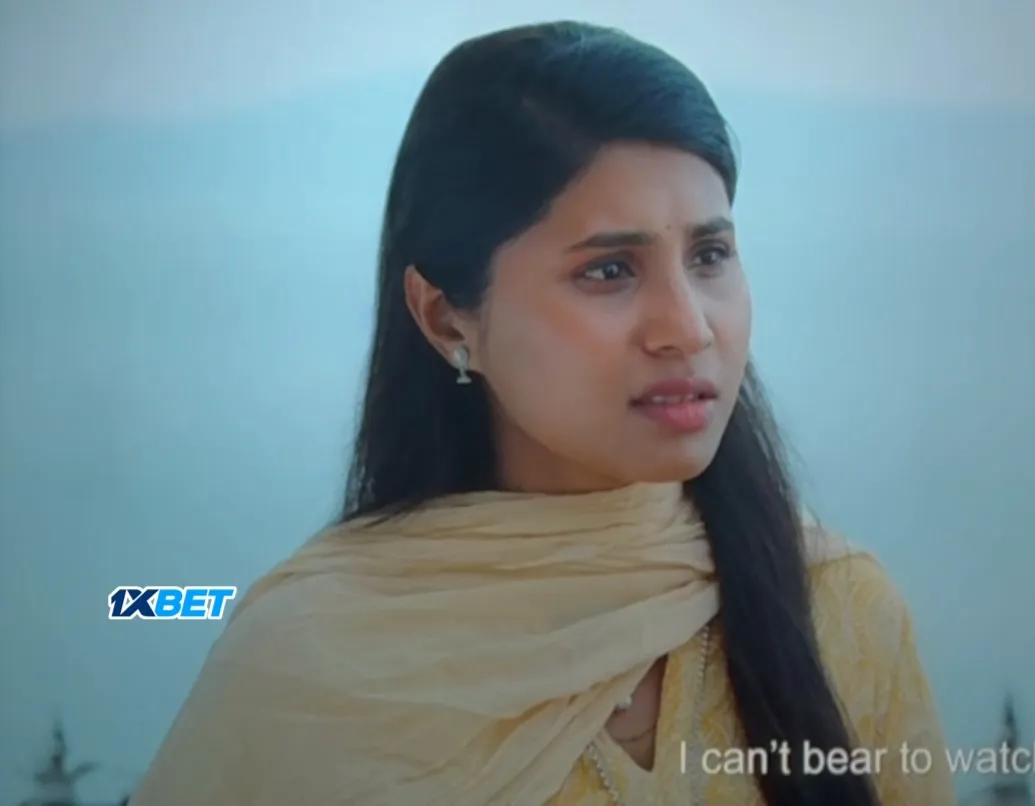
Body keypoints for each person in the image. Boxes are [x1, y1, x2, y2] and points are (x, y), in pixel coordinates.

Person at [134, 21, 953, 806]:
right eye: (609, 271)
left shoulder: (838, 613)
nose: (688, 327)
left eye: (710, 256)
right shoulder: (311, 667)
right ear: (446, 319)